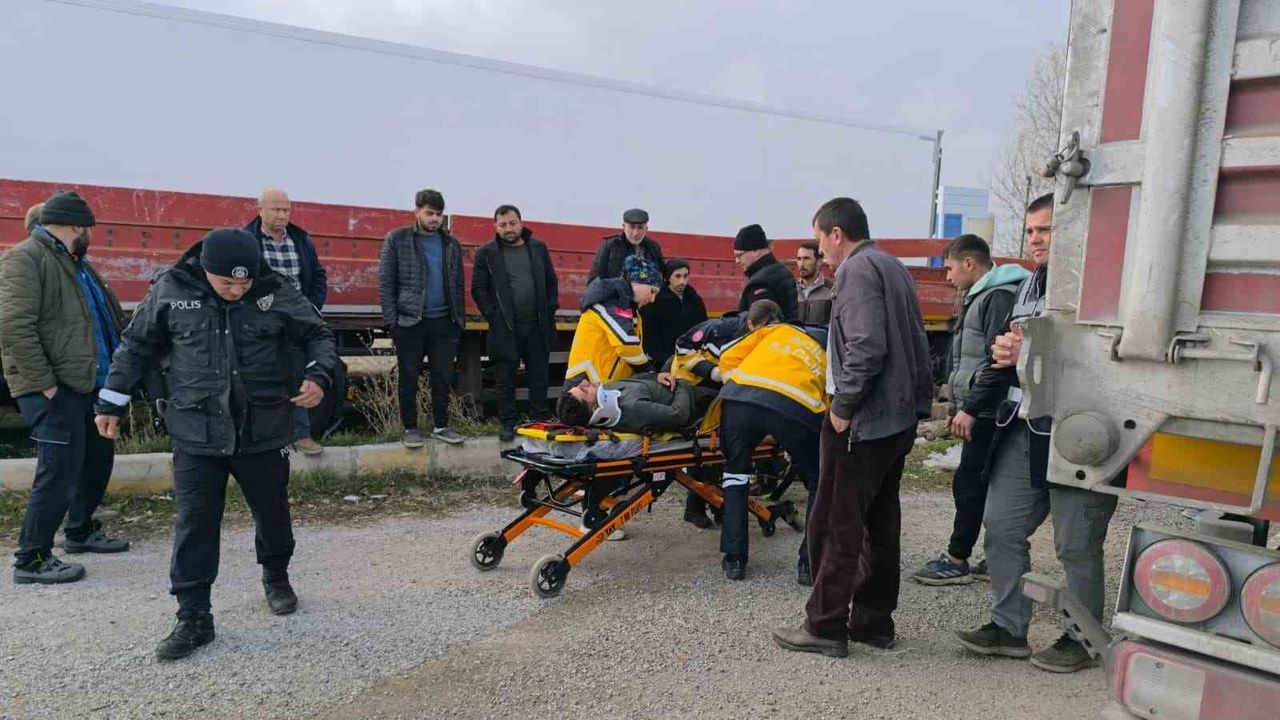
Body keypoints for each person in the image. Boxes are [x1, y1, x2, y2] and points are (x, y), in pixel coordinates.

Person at [93, 228, 338, 661]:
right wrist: (111, 401)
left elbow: (318, 334)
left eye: (244, 283)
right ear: (205, 270)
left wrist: (318, 375)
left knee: (272, 513)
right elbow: (136, 346)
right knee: (196, 523)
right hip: (196, 430)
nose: (237, 290)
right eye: (227, 283)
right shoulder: (171, 289)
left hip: (263, 429)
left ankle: (276, 577)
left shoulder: (275, 289)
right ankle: (193, 617)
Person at [954, 194, 1119, 674]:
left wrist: (1025, 353)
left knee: (1076, 544)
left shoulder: (1099, 285)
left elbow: (1107, 361)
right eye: (1030, 231)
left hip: (1081, 433)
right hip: (1027, 427)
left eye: (1045, 230)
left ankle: (1083, 640)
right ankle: (1008, 629)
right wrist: (981, 394)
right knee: (1001, 528)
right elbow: (1009, 355)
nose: (1035, 239)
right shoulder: (1030, 284)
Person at [772, 197, 932, 658]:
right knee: (880, 523)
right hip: (895, 417)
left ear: (836, 234)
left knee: (836, 522)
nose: (820, 251)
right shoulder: (892, 265)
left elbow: (866, 345)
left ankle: (824, 625)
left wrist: (842, 407)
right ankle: (872, 622)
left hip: (864, 420)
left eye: (820, 240)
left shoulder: (857, 271)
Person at [0, 191, 130, 585]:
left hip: (91, 383)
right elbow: (13, 325)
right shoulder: (25, 258)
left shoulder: (76, 264)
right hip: (55, 387)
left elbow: (102, 320)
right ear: (77, 226)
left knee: (96, 460)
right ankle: (32, 558)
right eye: (88, 228)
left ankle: (79, 531)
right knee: (58, 472)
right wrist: (44, 384)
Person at [912, 234, 1028, 586]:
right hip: (984, 407)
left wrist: (973, 408)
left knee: (970, 483)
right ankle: (996, 557)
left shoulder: (998, 297)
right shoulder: (981, 295)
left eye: (949, 269)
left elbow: (999, 362)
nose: (947, 277)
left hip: (992, 410)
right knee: (983, 482)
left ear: (969, 263)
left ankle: (956, 558)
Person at [711, 299, 825, 582]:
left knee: (735, 474)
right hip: (794, 406)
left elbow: (727, 357)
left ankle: (734, 559)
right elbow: (831, 397)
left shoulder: (771, 332)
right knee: (819, 478)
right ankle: (809, 564)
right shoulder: (826, 348)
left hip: (740, 401)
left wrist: (747, 388)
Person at [244, 187, 328, 456]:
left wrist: (311, 308)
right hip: (261, 322)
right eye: (276, 210)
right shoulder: (247, 240)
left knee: (298, 375)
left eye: (286, 210)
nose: (282, 215)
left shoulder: (301, 240)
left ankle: (301, 435)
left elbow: (318, 275)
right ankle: (264, 437)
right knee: (262, 378)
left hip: (296, 322)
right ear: (260, 210)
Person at [379, 189, 466, 448]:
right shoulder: (397, 239)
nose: (434, 219)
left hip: (444, 322)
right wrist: (392, 322)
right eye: (429, 213)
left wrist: (457, 321)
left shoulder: (451, 244)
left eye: (439, 214)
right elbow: (386, 282)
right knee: (408, 377)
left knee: (443, 377)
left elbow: (458, 284)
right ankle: (410, 429)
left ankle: (441, 426)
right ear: (416, 211)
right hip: (409, 322)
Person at [471, 204, 559, 442]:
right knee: (505, 379)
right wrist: (493, 316)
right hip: (505, 328)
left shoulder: (538, 248)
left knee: (539, 377)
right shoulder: (487, 253)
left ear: (521, 223)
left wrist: (550, 309)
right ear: (495, 227)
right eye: (503, 225)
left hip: (537, 326)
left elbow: (551, 281)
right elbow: (478, 289)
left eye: (512, 223)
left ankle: (538, 421)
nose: (508, 229)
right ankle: (507, 423)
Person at [563, 255, 661, 387]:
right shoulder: (610, 303)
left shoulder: (627, 307)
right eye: (652, 291)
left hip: (599, 383)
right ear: (638, 283)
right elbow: (626, 344)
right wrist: (649, 372)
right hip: (585, 384)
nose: (653, 299)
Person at [556, 372, 702, 432]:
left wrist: (657, 376)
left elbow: (634, 380)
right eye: (584, 390)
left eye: (579, 386)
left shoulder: (607, 392)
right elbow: (678, 414)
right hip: (695, 399)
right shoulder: (634, 409)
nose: (584, 382)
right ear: (595, 409)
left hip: (670, 383)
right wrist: (681, 384)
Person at [642, 258, 708, 374]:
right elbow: (650, 338)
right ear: (668, 277)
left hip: (693, 360)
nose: (682, 281)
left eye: (685, 276)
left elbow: (704, 329)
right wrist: (666, 361)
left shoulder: (695, 300)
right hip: (666, 363)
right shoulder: (656, 303)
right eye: (677, 276)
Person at [733, 224, 798, 321]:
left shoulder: (760, 282)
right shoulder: (782, 271)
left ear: (755, 250)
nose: (737, 261)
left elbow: (758, 323)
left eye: (739, 255)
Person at [587, 208, 665, 283]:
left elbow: (661, 277)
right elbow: (595, 280)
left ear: (646, 229)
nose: (635, 233)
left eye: (640, 228)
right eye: (632, 227)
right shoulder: (611, 245)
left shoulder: (653, 248)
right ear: (624, 227)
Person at [795, 241, 834, 326]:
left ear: (819, 261)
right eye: (799, 259)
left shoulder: (832, 289)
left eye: (806, 258)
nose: (802, 264)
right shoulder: (791, 290)